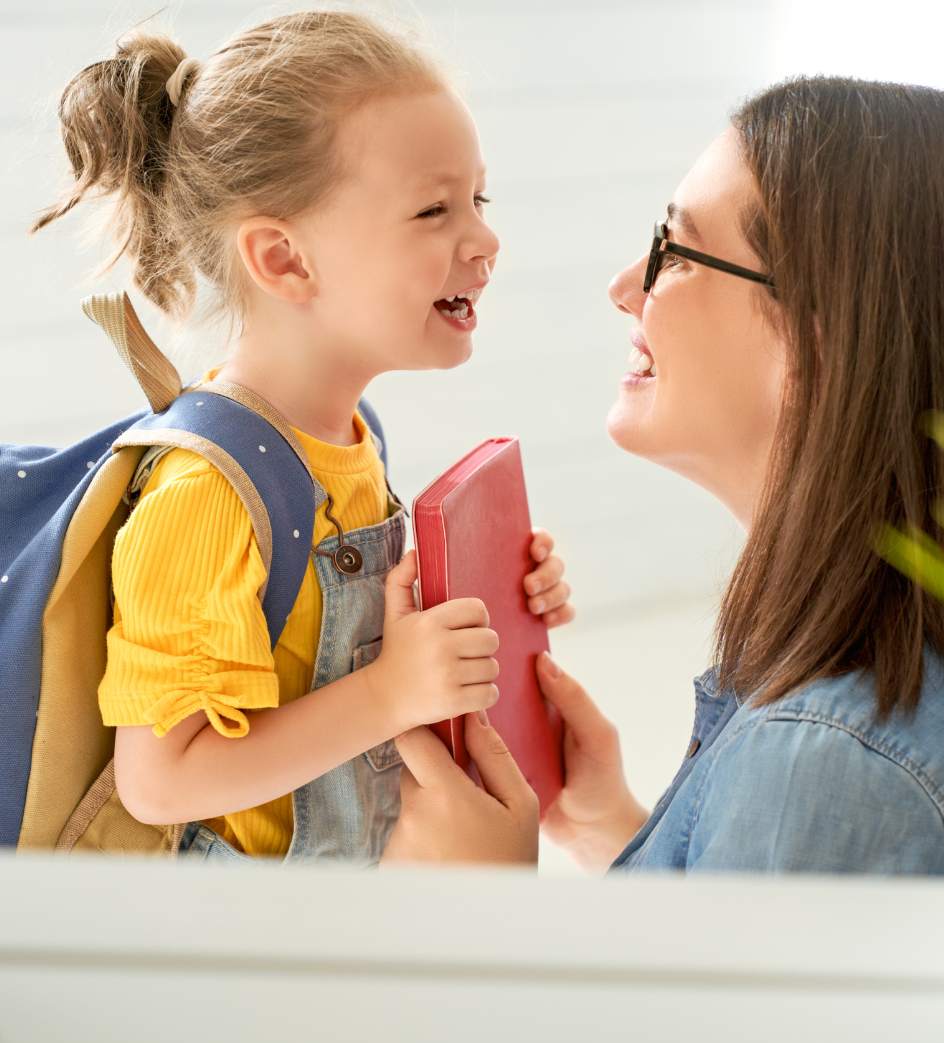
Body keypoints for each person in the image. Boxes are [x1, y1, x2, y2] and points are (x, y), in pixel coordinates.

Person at [383, 75, 944, 876]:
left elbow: (686, 1009)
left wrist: (477, 894)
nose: (624, 290)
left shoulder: (826, 767)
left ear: (820, 344)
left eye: (674, 253)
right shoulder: (884, 710)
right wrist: (608, 825)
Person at [31, 10, 575, 862]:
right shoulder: (204, 497)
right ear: (284, 259)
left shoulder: (352, 439)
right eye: (434, 209)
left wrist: (482, 596)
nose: (486, 239)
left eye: (478, 199)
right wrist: (391, 691)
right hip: (251, 943)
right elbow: (162, 780)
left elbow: (316, 647)